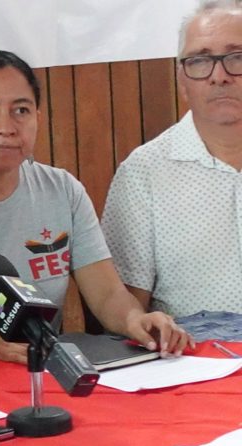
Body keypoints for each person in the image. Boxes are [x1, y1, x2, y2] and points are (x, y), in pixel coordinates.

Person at [0, 50, 192, 364]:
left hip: (45, 369)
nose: (6, 127)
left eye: (21, 110)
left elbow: (107, 295)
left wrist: (135, 319)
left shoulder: (63, 190)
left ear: (38, 118)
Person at [102, 0, 242, 318]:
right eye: (200, 61)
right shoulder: (143, 173)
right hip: (194, 348)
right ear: (181, 80)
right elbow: (125, 311)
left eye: (237, 57)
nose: (219, 76)